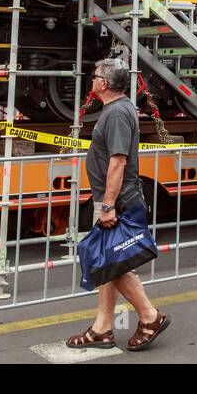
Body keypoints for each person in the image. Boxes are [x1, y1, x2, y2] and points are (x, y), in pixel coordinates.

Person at [66, 58, 169, 352]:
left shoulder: (118, 114)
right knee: (110, 262)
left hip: (119, 201)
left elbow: (118, 161)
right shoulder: (116, 110)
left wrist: (108, 206)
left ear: (105, 84)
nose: (92, 79)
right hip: (114, 199)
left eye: (95, 76)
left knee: (112, 262)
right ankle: (102, 328)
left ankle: (150, 316)